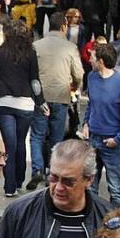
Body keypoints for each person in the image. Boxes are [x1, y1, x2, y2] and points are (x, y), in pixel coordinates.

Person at [27, 12, 84, 190]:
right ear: (64, 27)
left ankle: (37, 169)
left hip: (40, 97)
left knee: (37, 135)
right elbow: (79, 74)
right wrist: (75, 85)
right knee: (56, 137)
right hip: (61, 96)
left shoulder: (36, 46)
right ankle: (52, 169)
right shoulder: (70, 47)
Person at [0, 20, 45, 197]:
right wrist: (41, 101)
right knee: (21, 142)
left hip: (3, 103)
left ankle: (9, 186)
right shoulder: (30, 53)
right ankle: (19, 180)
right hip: (25, 103)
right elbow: (34, 80)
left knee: (9, 145)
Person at [82, 43, 120, 207]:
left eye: (92, 57)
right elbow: (91, 103)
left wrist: (118, 139)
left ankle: (116, 224)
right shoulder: (92, 77)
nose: (89, 60)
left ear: (101, 61)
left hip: (112, 142)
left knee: (115, 188)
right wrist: (86, 122)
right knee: (89, 185)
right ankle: (91, 221)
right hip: (93, 139)